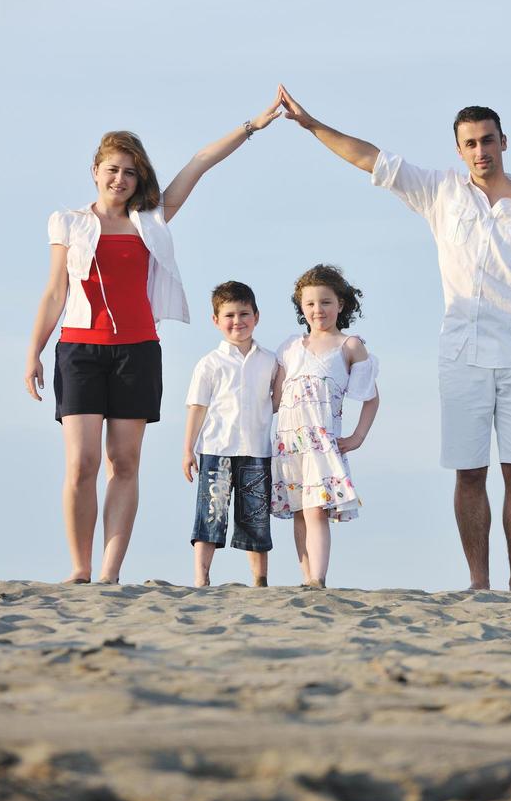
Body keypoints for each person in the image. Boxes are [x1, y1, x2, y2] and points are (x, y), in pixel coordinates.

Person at [278, 85, 511, 592]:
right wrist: (312, 125)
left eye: (488, 140)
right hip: (460, 354)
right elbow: (372, 159)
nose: (481, 151)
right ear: (459, 150)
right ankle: (479, 584)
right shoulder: (441, 192)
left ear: (504, 142)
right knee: (468, 471)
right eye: (470, 143)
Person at [24, 98, 281, 584]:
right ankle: (79, 568)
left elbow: (200, 163)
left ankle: (108, 571)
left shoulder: (152, 219)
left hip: (138, 351)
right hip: (79, 350)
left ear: (139, 179)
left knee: (124, 461)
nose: (120, 179)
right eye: (112, 170)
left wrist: (254, 125)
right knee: (81, 462)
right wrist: (33, 351)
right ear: (95, 171)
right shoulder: (69, 222)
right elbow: (55, 289)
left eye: (129, 173)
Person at [271, 264, 379, 588]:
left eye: (326, 302)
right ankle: (306, 577)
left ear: (341, 304)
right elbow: (275, 398)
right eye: (310, 304)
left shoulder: (349, 346)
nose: (318, 310)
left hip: (320, 442)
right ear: (301, 308)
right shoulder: (290, 346)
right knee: (300, 511)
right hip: (288, 443)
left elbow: (371, 397)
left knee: (316, 509)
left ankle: (318, 578)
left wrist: (358, 436)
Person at [182, 281, 277, 587]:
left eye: (244, 314)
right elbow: (197, 407)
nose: (238, 321)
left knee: (256, 519)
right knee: (211, 515)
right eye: (230, 315)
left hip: (256, 450)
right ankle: (201, 578)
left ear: (257, 316)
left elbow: (276, 402)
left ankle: (260, 580)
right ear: (216, 321)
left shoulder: (270, 360)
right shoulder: (209, 364)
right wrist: (188, 449)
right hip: (216, 449)